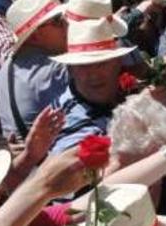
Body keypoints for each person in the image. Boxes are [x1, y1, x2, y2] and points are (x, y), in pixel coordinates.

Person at [47, 18, 136, 154]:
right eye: (83, 67)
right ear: (71, 70)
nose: (94, 75)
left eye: (102, 63)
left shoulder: (121, 93)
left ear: (118, 63)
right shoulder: (68, 121)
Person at [0, 0, 69, 140]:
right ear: (35, 37)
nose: (66, 24)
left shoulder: (4, 70)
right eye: (57, 21)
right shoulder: (56, 70)